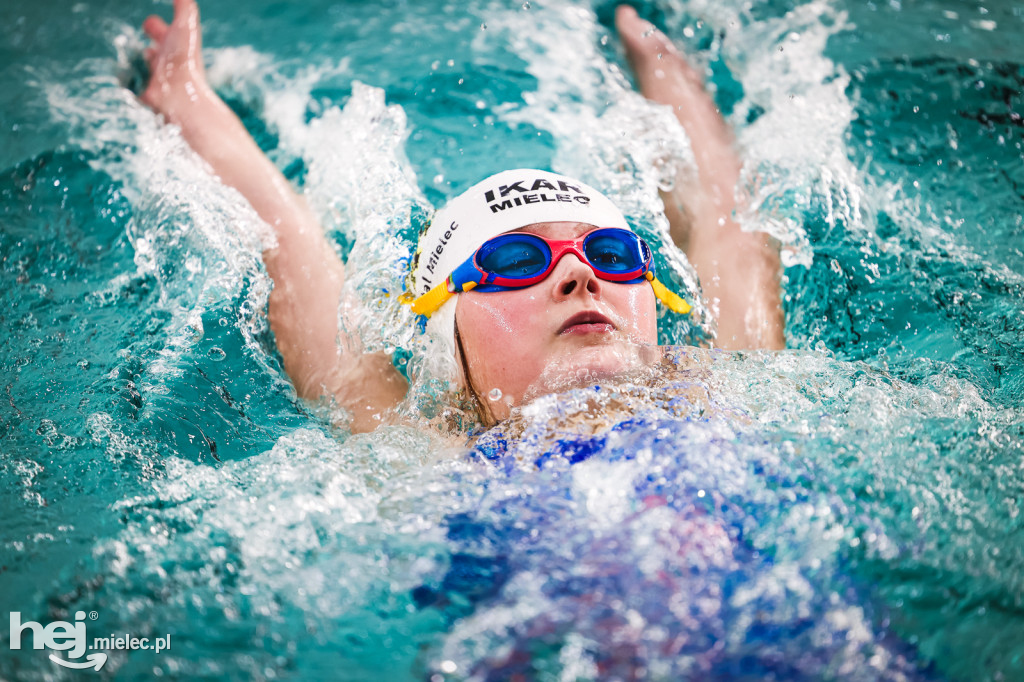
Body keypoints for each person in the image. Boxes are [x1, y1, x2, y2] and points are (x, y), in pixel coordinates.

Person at [140, 0, 784, 433]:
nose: (582, 278)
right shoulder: (426, 459)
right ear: (449, 345)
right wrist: (186, 100)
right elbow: (297, 255)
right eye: (516, 261)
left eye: (611, 254)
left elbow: (729, 227)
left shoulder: (744, 395)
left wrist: (661, 63)